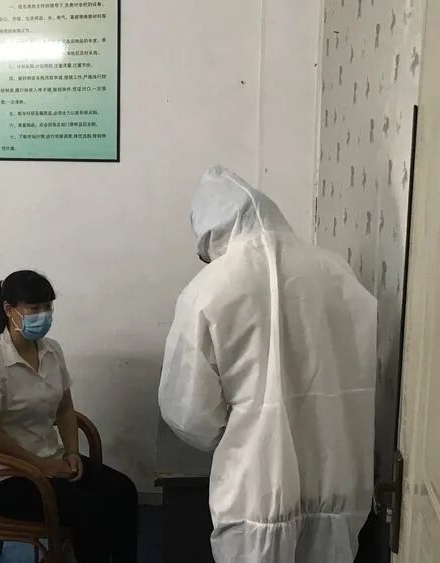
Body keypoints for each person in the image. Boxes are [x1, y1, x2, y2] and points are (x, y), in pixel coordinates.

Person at [159, 166, 377, 563]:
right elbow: (362, 373)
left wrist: (239, 425)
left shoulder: (210, 288)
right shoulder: (336, 271)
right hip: (337, 479)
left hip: (255, 485)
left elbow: (189, 412)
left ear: (212, 232)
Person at [0, 270, 138, 563]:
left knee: (124, 491)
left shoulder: (51, 350)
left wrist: (71, 452)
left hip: (52, 459)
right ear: (9, 309)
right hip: (6, 477)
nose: (43, 315)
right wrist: (42, 466)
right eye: (34, 308)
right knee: (91, 511)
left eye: (48, 307)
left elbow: (65, 408)